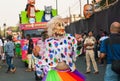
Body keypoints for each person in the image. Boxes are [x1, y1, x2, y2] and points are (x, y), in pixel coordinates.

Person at [38, 16, 85, 81]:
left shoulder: (69, 38)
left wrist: (79, 43)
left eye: (63, 25)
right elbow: (46, 58)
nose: (62, 27)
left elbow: (76, 52)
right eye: (59, 25)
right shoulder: (49, 42)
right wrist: (42, 69)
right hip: (55, 75)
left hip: (69, 73)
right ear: (53, 28)